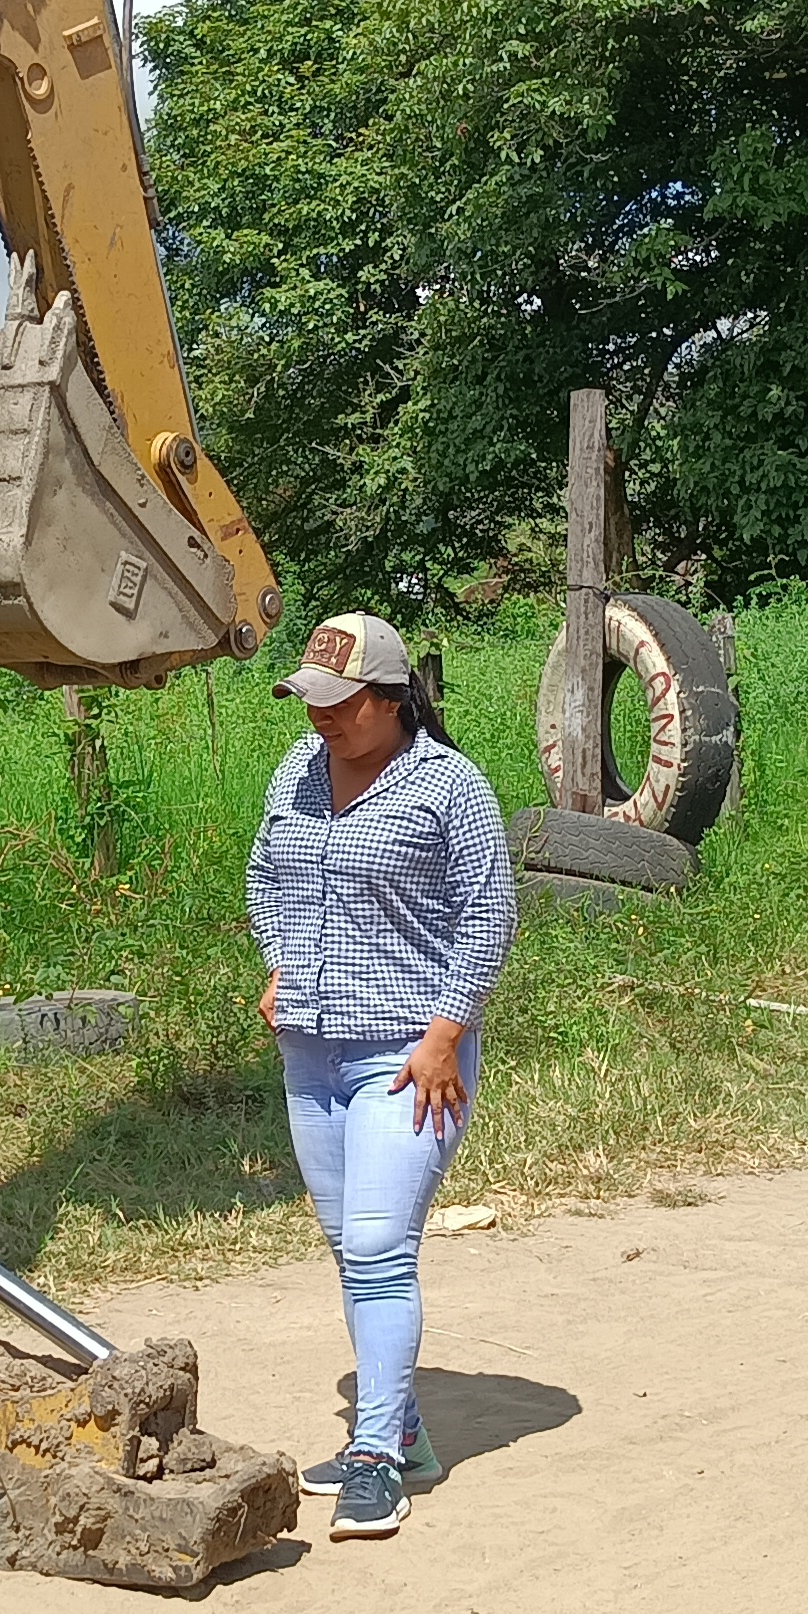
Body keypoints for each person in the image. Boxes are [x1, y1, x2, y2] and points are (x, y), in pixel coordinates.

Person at [246, 612, 518, 1540]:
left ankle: (374, 1462)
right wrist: (280, 961)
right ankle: (403, 1431)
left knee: (375, 1247)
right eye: (309, 700)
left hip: (408, 1059)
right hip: (311, 1052)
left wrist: (445, 1035)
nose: (320, 716)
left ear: (392, 699)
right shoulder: (298, 769)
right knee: (349, 1247)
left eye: (340, 701)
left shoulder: (449, 786)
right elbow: (267, 876)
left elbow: (488, 916)